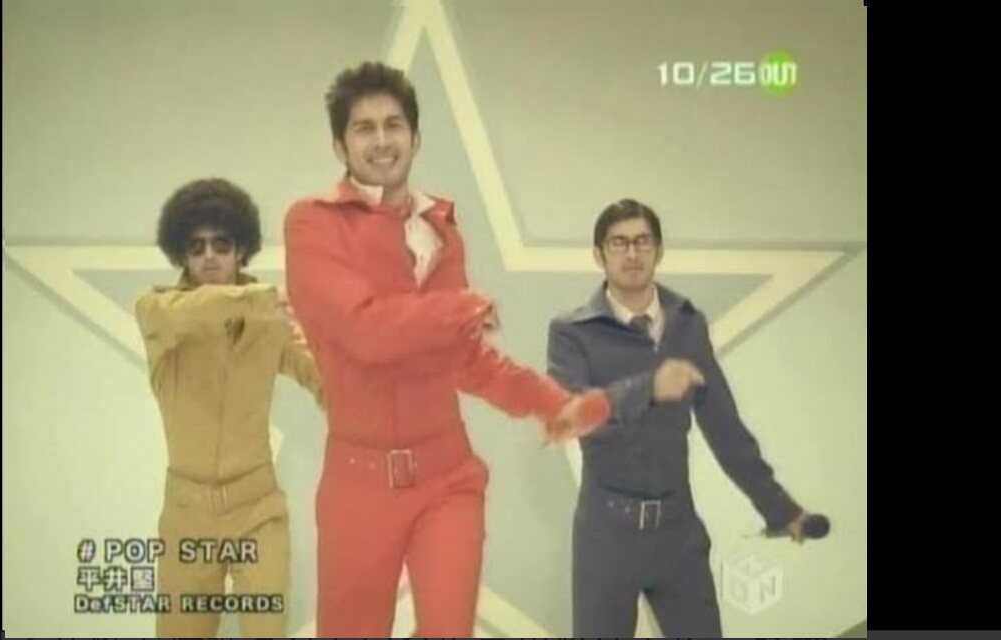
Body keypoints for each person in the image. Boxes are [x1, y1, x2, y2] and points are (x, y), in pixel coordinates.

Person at [283, 61, 610, 637]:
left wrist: (553, 402)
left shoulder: (440, 229)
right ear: (340, 145)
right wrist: (460, 307)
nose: (381, 140)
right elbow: (365, 332)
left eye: (394, 125)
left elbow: (463, 359)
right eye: (364, 128)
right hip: (359, 484)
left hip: (448, 476)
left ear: (415, 137)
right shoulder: (312, 224)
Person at [548, 198, 813, 638]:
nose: (632, 253)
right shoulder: (572, 332)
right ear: (599, 254)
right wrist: (647, 388)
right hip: (606, 534)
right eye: (619, 243)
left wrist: (780, 508)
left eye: (642, 241)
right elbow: (570, 416)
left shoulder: (687, 324)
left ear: (659, 250)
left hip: (678, 532)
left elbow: (724, 425)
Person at [134, 178, 323, 638]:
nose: (209, 256)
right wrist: (265, 299)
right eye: (196, 246)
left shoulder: (269, 322)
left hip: (258, 511)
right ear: (181, 254)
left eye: (222, 243)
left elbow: (321, 374)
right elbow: (198, 310)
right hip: (187, 517)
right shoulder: (158, 311)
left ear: (242, 250)